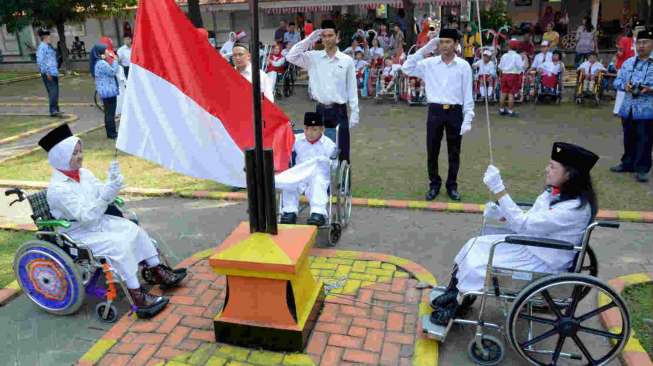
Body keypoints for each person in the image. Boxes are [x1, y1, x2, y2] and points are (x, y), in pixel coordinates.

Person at [429, 142, 599, 325]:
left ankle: (455, 307)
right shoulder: (556, 194)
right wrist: (502, 214)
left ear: (570, 174)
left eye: (552, 167)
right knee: (474, 244)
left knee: (480, 263)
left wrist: (499, 189)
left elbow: (524, 223)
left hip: (541, 260)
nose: (546, 169)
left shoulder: (573, 208)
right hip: (532, 245)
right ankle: (455, 294)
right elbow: (530, 220)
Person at [38, 124, 187, 318]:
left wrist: (112, 183)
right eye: (74, 154)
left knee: (132, 229)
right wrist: (105, 196)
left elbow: (101, 192)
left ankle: (157, 270)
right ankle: (137, 295)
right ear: (61, 157)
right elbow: (87, 218)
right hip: (79, 233)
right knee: (119, 244)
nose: (80, 156)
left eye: (80, 151)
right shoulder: (58, 190)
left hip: (99, 222)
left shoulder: (84, 173)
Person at [402, 29, 474, 202]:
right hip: (435, 110)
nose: (444, 45)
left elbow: (467, 95)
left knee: (454, 151)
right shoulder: (430, 64)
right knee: (432, 150)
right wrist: (425, 48)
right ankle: (434, 184)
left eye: (448, 42)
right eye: (441, 42)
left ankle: (452, 185)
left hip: (455, 111)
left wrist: (468, 117)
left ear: (456, 44)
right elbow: (407, 68)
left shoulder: (463, 66)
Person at [286, 20, 359, 163]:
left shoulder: (346, 60)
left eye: (330, 35)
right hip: (320, 110)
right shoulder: (314, 57)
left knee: (342, 150)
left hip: (339, 110)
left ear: (337, 36)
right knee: (320, 151)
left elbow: (352, 88)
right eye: (324, 36)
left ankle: (344, 184)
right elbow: (291, 56)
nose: (327, 38)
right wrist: (310, 38)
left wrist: (355, 111)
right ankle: (323, 183)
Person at [279, 112, 336, 226]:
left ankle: (318, 213)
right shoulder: (297, 139)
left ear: (322, 129)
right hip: (300, 173)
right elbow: (283, 148)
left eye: (314, 129)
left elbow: (334, 165)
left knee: (317, 182)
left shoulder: (329, 145)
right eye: (306, 129)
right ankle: (289, 211)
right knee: (290, 180)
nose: (309, 133)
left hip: (318, 174)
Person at [611, 29, 653, 183]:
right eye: (639, 43)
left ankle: (642, 169)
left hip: (647, 110)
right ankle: (627, 163)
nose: (641, 46)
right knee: (629, 137)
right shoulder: (628, 62)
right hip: (627, 107)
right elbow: (616, 82)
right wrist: (625, 87)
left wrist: (650, 89)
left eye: (645, 42)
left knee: (645, 139)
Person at [91, 44, 120, 139]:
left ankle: (110, 132)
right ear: (101, 52)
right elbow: (112, 72)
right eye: (105, 50)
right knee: (110, 113)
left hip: (105, 91)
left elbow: (108, 70)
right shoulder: (101, 63)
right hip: (108, 91)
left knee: (108, 113)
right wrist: (115, 60)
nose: (107, 51)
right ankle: (112, 133)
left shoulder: (99, 62)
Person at [36, 29, 61, 117]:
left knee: (55, 91)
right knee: (53, 91)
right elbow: (40, 61)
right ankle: (53, 110)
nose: (50, 38)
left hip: (53, 72)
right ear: (45, 37)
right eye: (49, 37)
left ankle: (55, 110)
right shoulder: (42, 47)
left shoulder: (49, 46)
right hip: (48, 73)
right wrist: (47, 72)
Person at [498, 39, 525, 117]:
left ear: (509, 46)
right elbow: (520, 67)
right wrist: (524, 59)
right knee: (511, 94)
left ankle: (501, 109)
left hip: (504, 75)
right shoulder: (517, 56)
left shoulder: (504, 55)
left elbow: (500, 67)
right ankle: (510, 111)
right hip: (513, 76)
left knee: (503, 93)